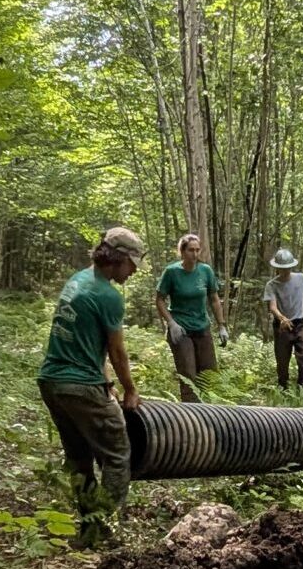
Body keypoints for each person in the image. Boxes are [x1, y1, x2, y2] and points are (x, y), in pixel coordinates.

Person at [37, 226, 145, 536]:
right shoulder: (108, 295)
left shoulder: (78, 280)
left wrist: (106, 382)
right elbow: (117, 351)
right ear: (119, 258)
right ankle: (98, 529)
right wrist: (131, 390)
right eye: (133, 264)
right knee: (117, 454)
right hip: (80, 385)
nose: (134, 272)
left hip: (52, 382)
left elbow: (86, 339)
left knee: (79, 457)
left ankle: (87, 524)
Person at [155, 233, 227, 402]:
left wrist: (222, 326)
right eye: (190, 250)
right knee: (189, 376)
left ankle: (211, 415)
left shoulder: (205, 271)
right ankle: (191, 419)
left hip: (202, 328)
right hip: (181, 330)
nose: (194, 254)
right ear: (182, 251)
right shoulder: (172, 272)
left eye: (197, 250)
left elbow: (214, 299)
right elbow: (159, 300)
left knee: (209, 375)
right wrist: (171, 323)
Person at [262, 248, 303, 389]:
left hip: (300, 323)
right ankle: (283, 388)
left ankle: (302, 388)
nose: (285, 271)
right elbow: (272, 307)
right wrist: (282, 318)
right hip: (282, 326)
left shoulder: (302, 279)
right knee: (282, 360)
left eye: (288, 268)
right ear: (277, 268)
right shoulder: (271, 285)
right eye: (282, 268)